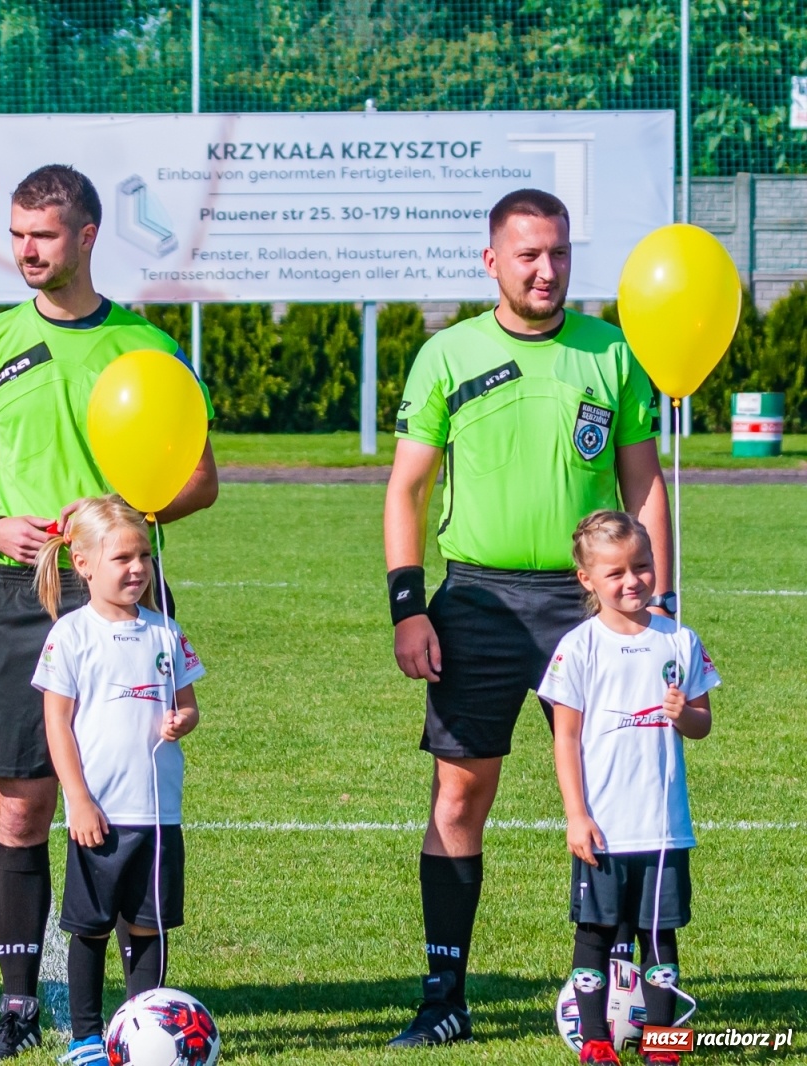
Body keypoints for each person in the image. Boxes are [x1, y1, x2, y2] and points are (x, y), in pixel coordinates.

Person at [0, 164, 218, 1062]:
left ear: (88, 237)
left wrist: (120, 532)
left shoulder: (147, 346)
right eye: (17, 234)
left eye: (43, 235)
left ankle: (137, 1016)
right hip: (22, 594)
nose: (25, 250)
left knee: (129, 806)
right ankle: (19, 1008)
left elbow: (201, 479)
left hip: (126, 593)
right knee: (21, 811)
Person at [382, 188, 673, 1046]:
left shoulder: (611, 352)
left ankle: (617, 992)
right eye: (528, 256)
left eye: (558, 253)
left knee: (615, 794)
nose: (546, 271)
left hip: (591, 607)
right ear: (492, 262)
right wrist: (408, 608)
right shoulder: (446, 354)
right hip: (474, 600)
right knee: (460, 794)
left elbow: (643, 484)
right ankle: (444, 999)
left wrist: (659, 605)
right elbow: (406, 488)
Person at [30, 497, 203, 1066]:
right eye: (122, 557)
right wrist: (77, 801)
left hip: (157, 813)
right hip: (98, 813)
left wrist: (183, 720)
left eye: (144, 558)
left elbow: (189, 705)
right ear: (82, 563)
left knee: (149, 927)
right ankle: (85, 1036)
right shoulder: (70, 636)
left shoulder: (164, 633)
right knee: (91, 930)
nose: (137, 569)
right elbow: (57, 723)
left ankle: (143, 1030)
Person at [539, 511, 713, 1066]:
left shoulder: (679, 639)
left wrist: (684, 713)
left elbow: (703, 723)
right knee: (594, 933)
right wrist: (576, 815)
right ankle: (595, 1042)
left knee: (659, 938)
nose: (632, 580)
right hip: (603, 825)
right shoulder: (578, 646)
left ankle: (665, 1045)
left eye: (642, 566)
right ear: (587, 579)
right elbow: (565, 739)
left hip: (663, 826)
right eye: (615, 573)